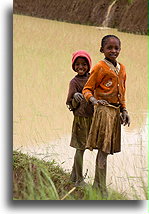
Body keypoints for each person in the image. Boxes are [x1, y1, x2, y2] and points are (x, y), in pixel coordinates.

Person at [82, 35, 130, 197]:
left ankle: (99, 185)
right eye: (109, 48)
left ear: (120, 50)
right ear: (102, 50)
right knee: (103, 150)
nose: (113, 51)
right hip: (103, 110)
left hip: (115, 112)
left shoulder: (122, 68)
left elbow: (122, 91)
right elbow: (87, 89)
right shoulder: (99, 67)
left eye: (116, 48)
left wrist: (124, 110)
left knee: (107, 150)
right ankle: (100, 188)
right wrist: (94, 100)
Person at [66, 50, 94, 187]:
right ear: (74, 66)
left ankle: (73, 175)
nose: (80, 67)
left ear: (89, 65)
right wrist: (76, 97)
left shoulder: (92, 79)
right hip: (80, 119)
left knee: (82, 147)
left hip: (91, 118)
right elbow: (70, 104)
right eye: (77, 64)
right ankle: (79, 180)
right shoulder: (74, 82)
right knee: (80, 148)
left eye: (84, 64)